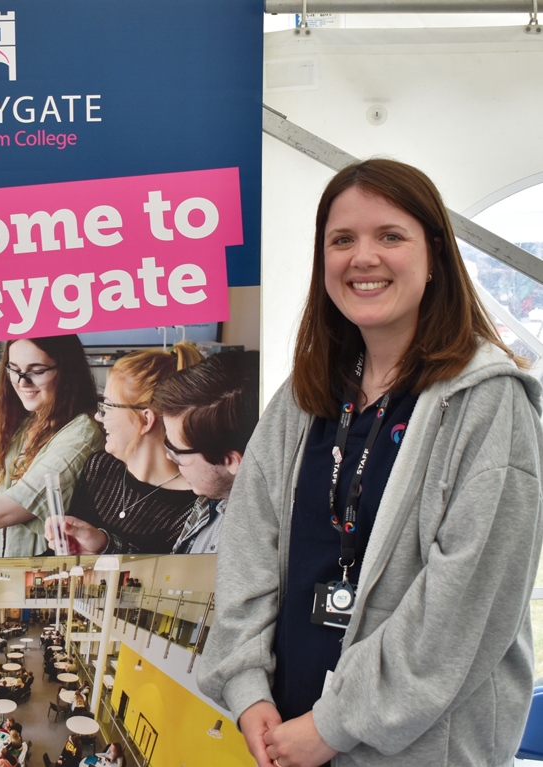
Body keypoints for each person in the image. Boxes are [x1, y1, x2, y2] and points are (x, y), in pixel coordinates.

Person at [197, 159, 543, 767]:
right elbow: (249, 546)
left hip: (412, 749)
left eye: (390, 236)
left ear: (434, 255)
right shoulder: (303, 398)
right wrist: (246, 686)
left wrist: (332, 727)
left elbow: (464, 609)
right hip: (284, 734)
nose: (363, 257)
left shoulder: (488, 404)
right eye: (342, 240)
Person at [0, 335, 103, 557]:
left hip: (43, 580)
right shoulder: (26, 423)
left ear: (67, 371)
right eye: (14, 369)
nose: (22, 382)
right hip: (5, 579)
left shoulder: (81, 433)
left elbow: (2, 513)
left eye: (37, 371)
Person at [43, 344, 202, 555]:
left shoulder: (193, 506)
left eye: (108, 406)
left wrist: (104, 546)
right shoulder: (100, 468)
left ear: (145, 420)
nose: (99, 417)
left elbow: (161, 579)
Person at [148, 350, 260, 554]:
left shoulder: (253, 547)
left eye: (177, 452)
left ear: (231, 461)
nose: (168, 457)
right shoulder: (210, 501)